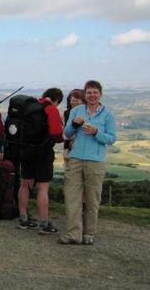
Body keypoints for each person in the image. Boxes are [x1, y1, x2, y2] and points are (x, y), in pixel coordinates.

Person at [60, 80, 117, 245]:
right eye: (89, 92)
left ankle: (89, 233)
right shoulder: (77, 110)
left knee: (92, 199)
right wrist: (74, 124)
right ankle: (73, 234)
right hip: (76, 157)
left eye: (95, 92)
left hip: (96, 161)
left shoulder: (107, 115)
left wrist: (96, 132)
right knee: (72, 197)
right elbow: (67, 133)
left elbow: (112, 138)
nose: (92, 95)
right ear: (85, 95)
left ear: (100, 94)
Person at [16, 88, 64, 234]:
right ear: (57, 100)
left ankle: (23, 218)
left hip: (25, 151)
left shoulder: (30, 106)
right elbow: (56, 133)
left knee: (25, 184)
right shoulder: (51, 109)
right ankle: (44, 223)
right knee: (43, 188)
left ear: (44, 96)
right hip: (43, 153)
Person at [63, 89, 86, 163]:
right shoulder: (66, 114)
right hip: (71, 149)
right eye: (72, 100)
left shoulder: (89, 113)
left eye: (77, 100)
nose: (73, 102)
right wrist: (66, 150)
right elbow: (65, 135)